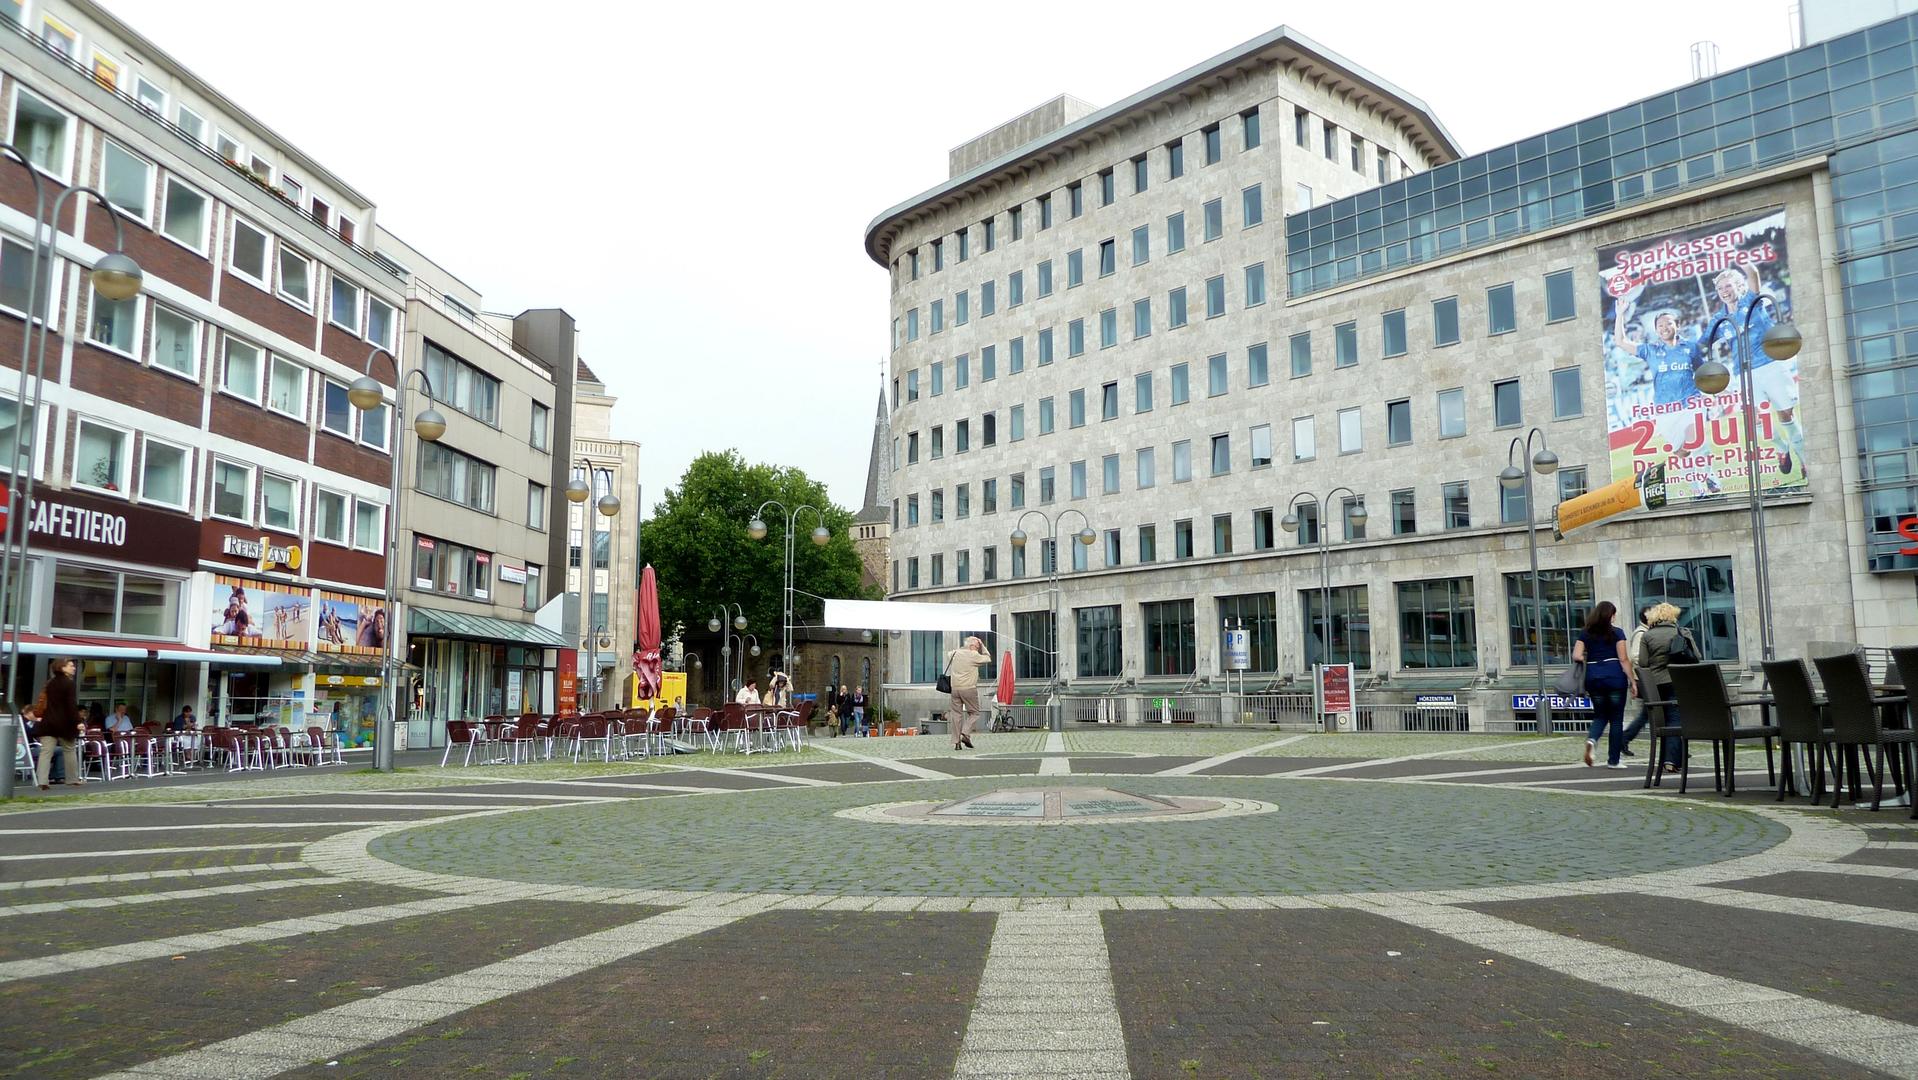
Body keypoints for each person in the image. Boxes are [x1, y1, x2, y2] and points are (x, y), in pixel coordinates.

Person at [1709, 264, 1804, 479]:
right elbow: (1700, 346)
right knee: (1756, 420)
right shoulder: (1719, 319)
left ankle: (1804, 459)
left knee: (1785, 415)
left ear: (1738, 286)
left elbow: (1753, 273)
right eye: (1720, 288)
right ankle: (1781, 448)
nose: (1724, 291)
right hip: (1745, 374)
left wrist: (1737, 255)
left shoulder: (1752, 300)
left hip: (1771, 364)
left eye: (1728, 286)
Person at [1632, 602, 1698, 774]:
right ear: (1673, 616)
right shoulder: (1682, 632)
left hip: (1655, 684)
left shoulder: (1647, 635)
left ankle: (1668, 758)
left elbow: (1643, 663)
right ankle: (1671, 760)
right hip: (1676, 680)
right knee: (1675, 719)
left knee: (1660, 721)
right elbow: (1696, 656)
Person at [1572, 602, 1636, 769]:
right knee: (1616, 719)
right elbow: (1623, 659)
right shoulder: (1617, 632)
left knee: (1600, 715)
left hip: (1593, 677)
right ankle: (1613, 760)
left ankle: (1592, 739)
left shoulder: (1585, 633)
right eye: (1614, 614)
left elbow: (1576, 655)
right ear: (1610, 616)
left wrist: (1588, 657)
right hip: (1614, 677)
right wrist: (1633, 681)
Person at [33, 658, 81, 790]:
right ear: (62, 668)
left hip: (48, 722)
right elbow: (71, 705)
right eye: (70, 666)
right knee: (69, 750)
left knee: (46, 752)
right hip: (65, 723)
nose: (74, 668)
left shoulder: (50, 683)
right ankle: (72, 779)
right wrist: (78, 721)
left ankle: (42, 781)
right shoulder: (69, 683)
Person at [945, 635, 992, 750]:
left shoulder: (955, 653)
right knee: (974, 713)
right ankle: (965, 733)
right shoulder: (973, 655)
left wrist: (965, 646)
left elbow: (948, 654)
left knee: (956, 715)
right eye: (977, 646)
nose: (978, 648)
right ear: (972, 646)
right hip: (969, 689)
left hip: (955, 689)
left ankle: (957, 743)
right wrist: (982, 645)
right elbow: (988, 658)